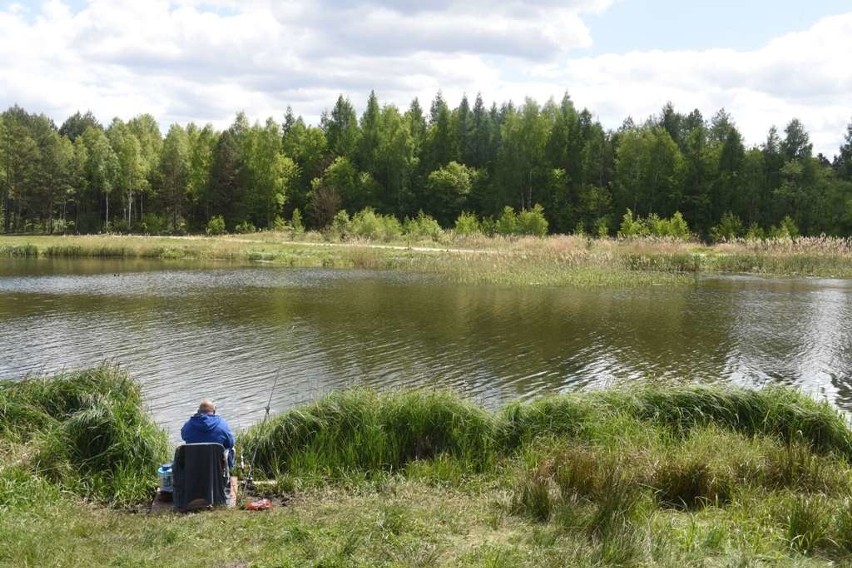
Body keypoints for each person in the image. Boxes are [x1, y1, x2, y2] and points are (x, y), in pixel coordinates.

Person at [180, 400, 235, 469]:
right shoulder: (223, 424)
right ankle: (228, 474)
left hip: (194, 468)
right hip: (217, 469)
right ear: (214, 412)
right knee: (231, 449)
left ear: (198, 411)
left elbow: (183, 436)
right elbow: (231, 443)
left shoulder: (188, 425)